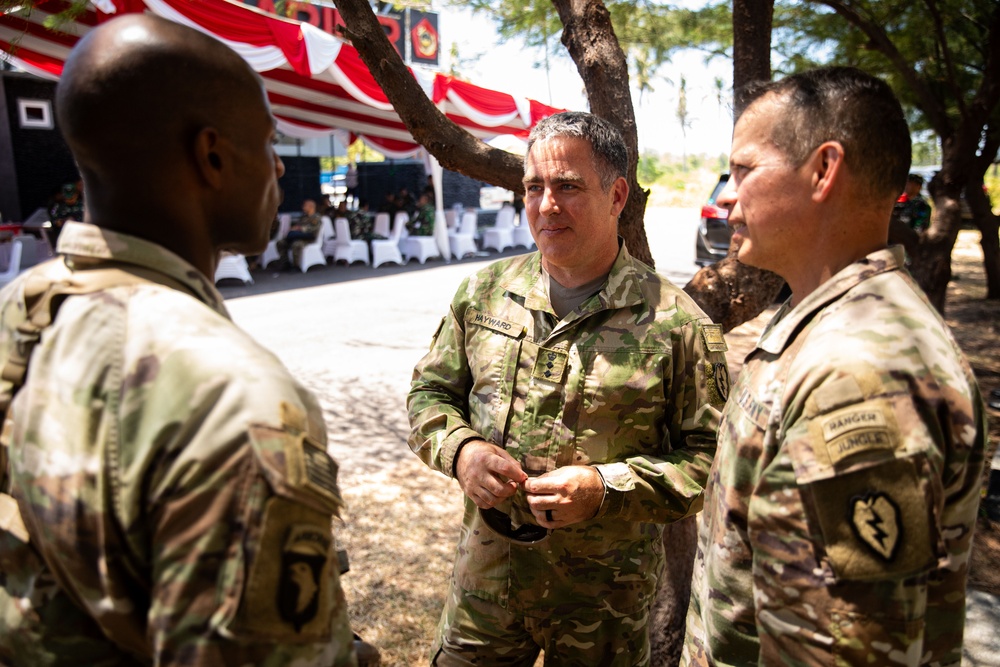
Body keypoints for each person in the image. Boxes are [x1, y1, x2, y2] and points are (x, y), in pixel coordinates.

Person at [0, 14, 361, 665]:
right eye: (268, 143)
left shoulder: (19, 307)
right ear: (212, 155)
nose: (278, 167)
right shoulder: (236, 398)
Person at [683, 67, 987, 666]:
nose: (725, 194)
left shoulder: (859, 375)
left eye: (743, 170)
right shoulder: (822, 315)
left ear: (823, 170)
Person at [407, 111, 729, 664]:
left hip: (602, 605)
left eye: (568, 186)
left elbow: (713, 465)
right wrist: (462, 450)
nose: (547, 205)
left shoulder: (677, 324)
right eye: (534, 187)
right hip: (486, 583)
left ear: (616, 195)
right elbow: (429, 395)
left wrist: (606, 488)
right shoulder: (483, 294)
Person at [276, 198, 322, 270]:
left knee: (296, 244)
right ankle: (285, 262)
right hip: (297, 236)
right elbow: (297, 225)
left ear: (311, 207)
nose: (303, 207)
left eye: (305, 206)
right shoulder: (303, 217)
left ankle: (296, 265)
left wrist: (300, 228)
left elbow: (313, 229)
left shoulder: (316, 217)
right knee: (281, 243)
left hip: (308, 239)